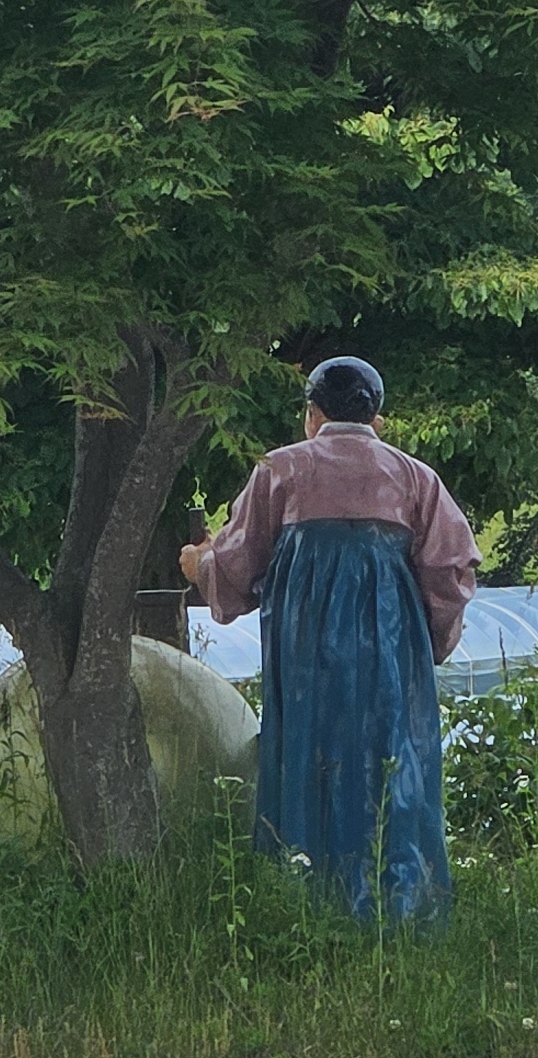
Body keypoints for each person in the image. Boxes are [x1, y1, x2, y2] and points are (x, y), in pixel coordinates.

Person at [184, 356, 478, 924]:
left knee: (306, 754)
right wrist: (428, 644)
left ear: (312, 415)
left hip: (304, 653)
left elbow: (237, 564)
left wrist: (199, 565)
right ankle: (399, 905)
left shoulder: (280, 470)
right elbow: (451, 572)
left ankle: (302, 901)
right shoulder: (415, 477)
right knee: (390, 760)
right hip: (389, 656)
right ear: (379, 421)